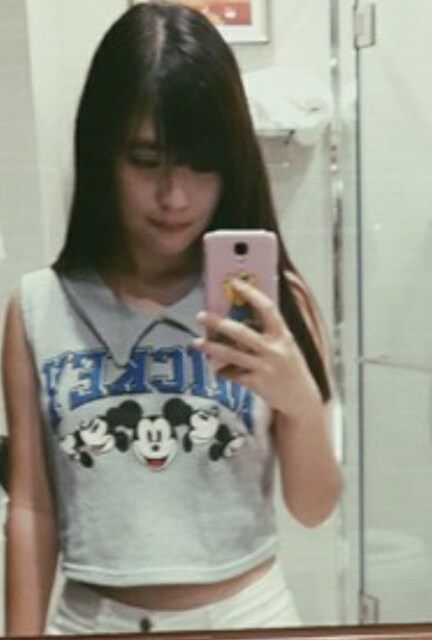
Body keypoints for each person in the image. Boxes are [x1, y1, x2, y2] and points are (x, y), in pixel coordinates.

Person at [1, 1, 342, 635]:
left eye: (202, 163)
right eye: (147, 159)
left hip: (249, 616)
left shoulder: (277, 302)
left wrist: (298, 399)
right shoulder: (38, 308)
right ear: (103, 152)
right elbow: (31, 508)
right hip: (91, 621)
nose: (175, 196)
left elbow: (314, 506)